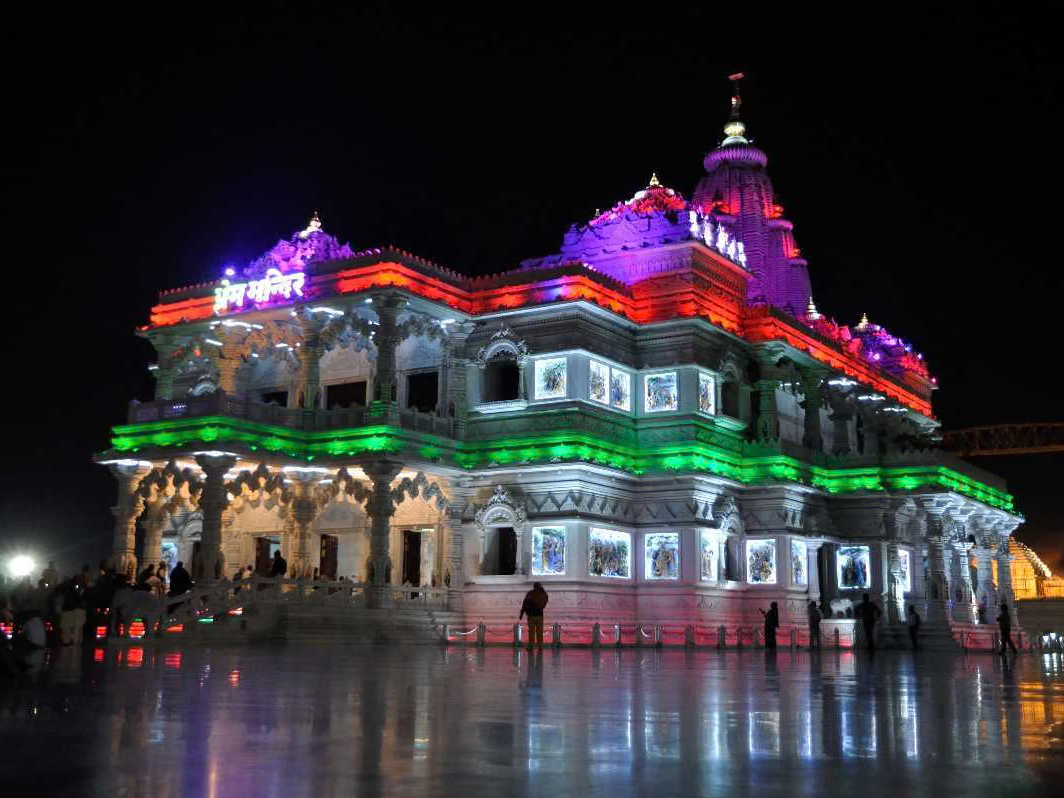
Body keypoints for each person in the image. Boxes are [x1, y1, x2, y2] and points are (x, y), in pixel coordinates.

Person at [519, 582, 549, 650]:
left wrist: (522, 614)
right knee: (539, 631)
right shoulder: (543, 593)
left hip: (531, 615)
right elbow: (545, 601)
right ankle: (540, 646)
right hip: (539, 615)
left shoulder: (530, 593)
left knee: (531, 632)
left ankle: (531, 646)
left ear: (534, 586)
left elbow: (524, 604)